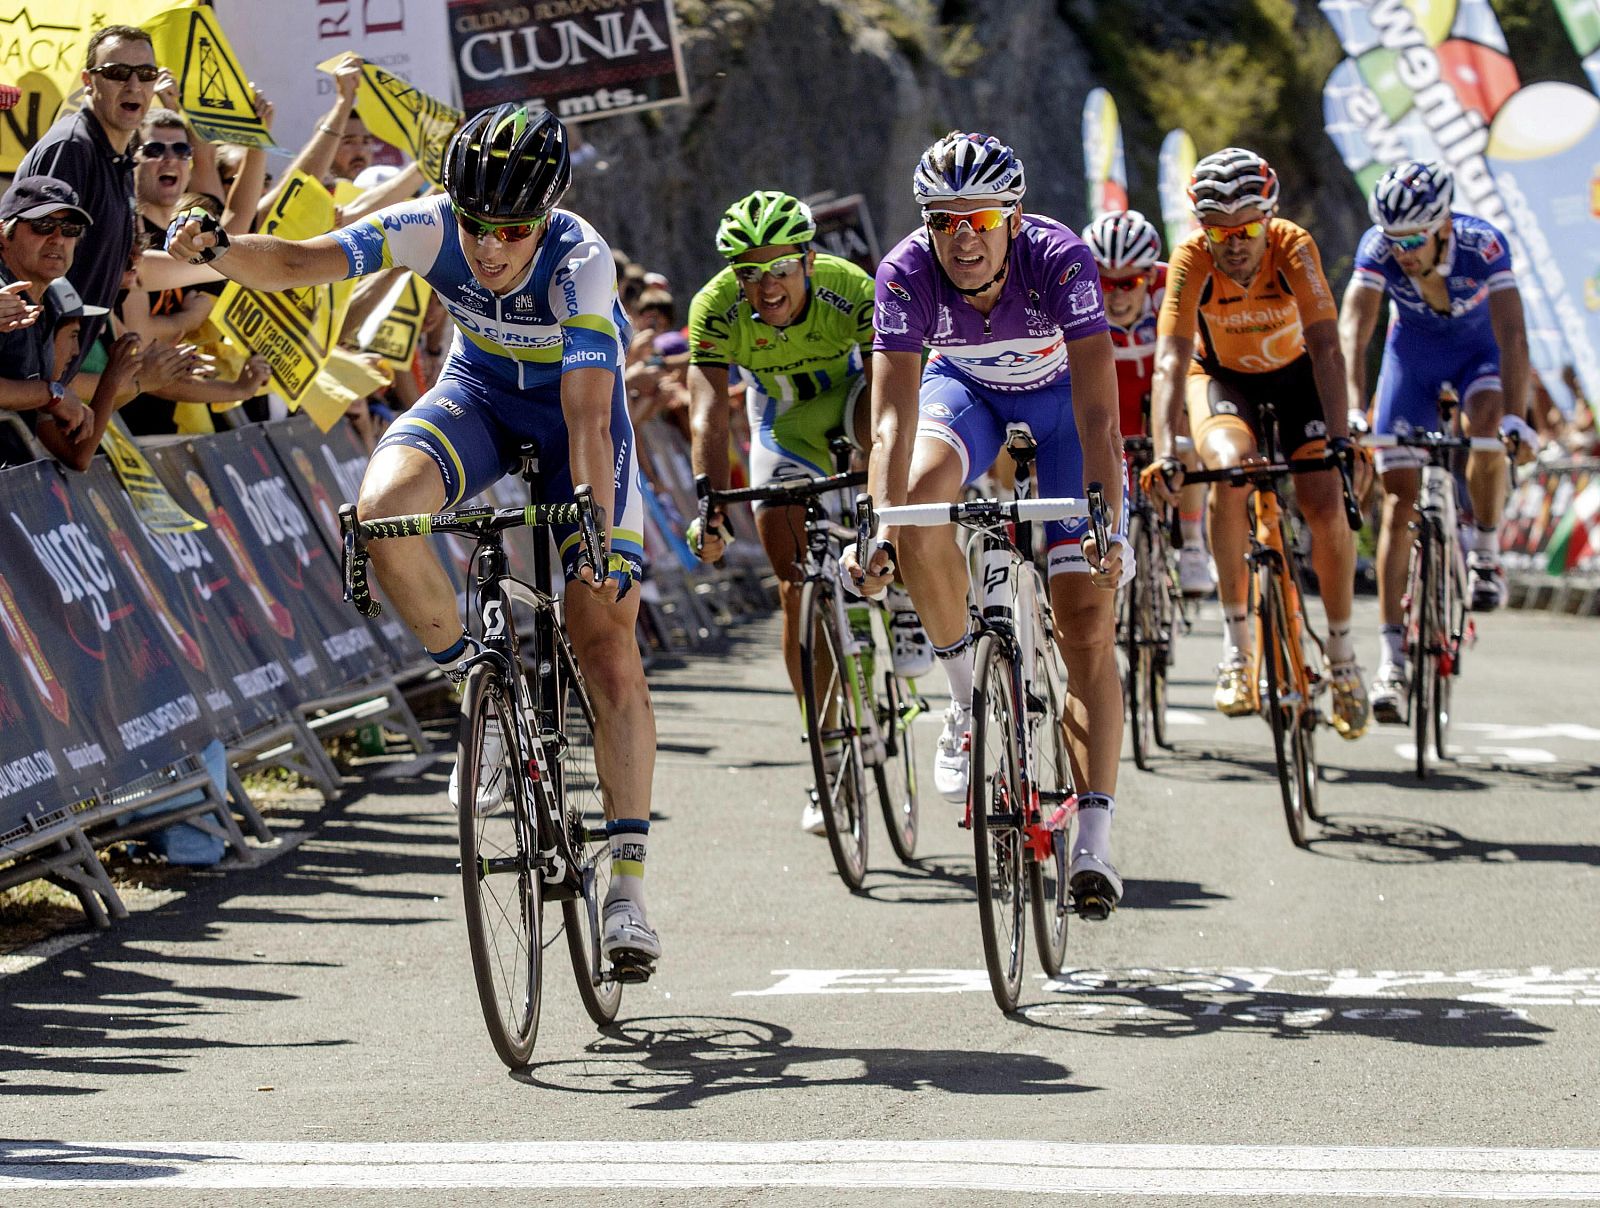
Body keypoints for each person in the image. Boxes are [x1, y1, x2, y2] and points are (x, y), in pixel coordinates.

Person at [167, 104, 663, 972]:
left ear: (545, 214)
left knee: (606, 638)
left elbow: (588, 417)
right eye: (476, 224)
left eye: (512, 229)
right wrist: (214, 249)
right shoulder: (431, 223)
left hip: (576, 425)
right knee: (381, 518)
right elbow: (298, 262)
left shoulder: (579, 262)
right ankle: (483, 688)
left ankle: (626, 884)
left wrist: (591, 527)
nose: (490, 246)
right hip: (475, 395)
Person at [843, 132, 1129, 915]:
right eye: (945, 220)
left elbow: (1101, 413)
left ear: (1014, 217)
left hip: (1064, 413)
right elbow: (892, 425)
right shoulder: (905, 271)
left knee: (1085, 625)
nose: (962, 236)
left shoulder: (1061, 260)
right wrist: (876, 521)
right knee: (916, 500)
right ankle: (968, 699)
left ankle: (1095, 838)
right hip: (967, 396)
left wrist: (1113, 527)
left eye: (980, 218)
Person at [685, 190, 931, 835]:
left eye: (779, 269)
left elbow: (892, 391)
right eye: (749, 272)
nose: (764, 286)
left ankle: (903, 590)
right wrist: (708, 499)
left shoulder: (851, 286)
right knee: (796, 591)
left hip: (855, 406)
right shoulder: (715, 308)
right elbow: (708, 411)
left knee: (880, 456)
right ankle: (824, 754)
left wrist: (879, 470)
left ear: (809, 262)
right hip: (782, 431)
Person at [1148, 147, 1369, 739]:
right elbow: (1169, 359)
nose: (1233, 243)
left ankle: (1343, 657)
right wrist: (1166, 449)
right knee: (1227, 471)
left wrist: (1343, 438)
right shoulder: (1192, 256)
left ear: (1267, 220)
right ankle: (1238, 645)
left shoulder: (1294, 246)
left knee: (1324, 506)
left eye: (1246, 230)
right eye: (1219, 231)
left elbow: (1328, 347)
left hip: (1299, 379)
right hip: (1222, 379)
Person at [1339, 161, 1535, 719]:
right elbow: (1356, 326)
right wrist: (1355, 408)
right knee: (1400, 500)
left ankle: (1487, 552)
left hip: (1480, 358)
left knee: (1487, 428)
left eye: (1414, 239)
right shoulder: (1378, 248)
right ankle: (1393, 659)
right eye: (1394, 238)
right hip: (1414, 360)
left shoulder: (1484, 246)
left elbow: (1513, 333)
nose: (1402, 250)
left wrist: (1518, 420)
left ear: (1444, 225)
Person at [1082, 208, 1214, 596]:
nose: (1117, 294)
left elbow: (1198, 358)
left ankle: (1191, 543)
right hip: (1111, 387)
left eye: (1131, 282)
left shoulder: (1170, 287)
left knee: (1185, 442)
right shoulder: (1078, 293)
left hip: (1159, 388)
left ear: (1150, 275)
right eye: (1106, 283)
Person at [0, 176, 143, 470]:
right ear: (4, 233)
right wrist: (52, 395)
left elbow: (77, 455)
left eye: (70, 229)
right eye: (42, 225)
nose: (57, 238)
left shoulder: (50, 304)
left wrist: (111, 381)